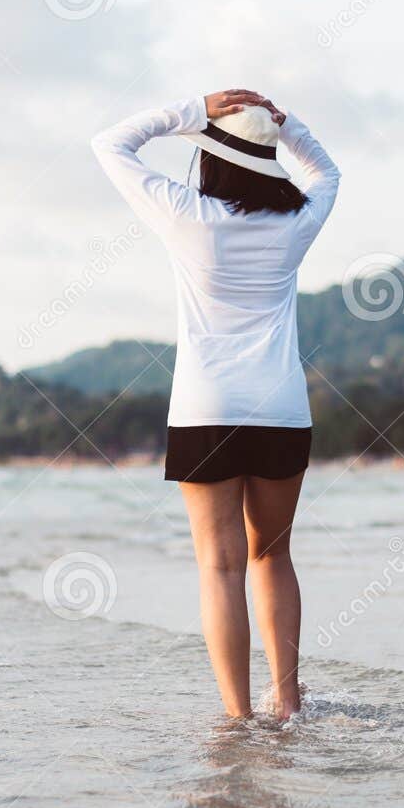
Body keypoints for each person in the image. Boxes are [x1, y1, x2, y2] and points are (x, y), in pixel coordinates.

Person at [91, 89, 341, 720]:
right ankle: (287, 699)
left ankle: (237, 716)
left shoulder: (187, 215)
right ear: (266, 160)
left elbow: (111, 144)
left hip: (205, 409)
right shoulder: (296, 222)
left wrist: (194, 109)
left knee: (220, 568)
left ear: (211, 158)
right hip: (280, 407)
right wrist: (287, 128)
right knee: (273, 554)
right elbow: (327, 172)